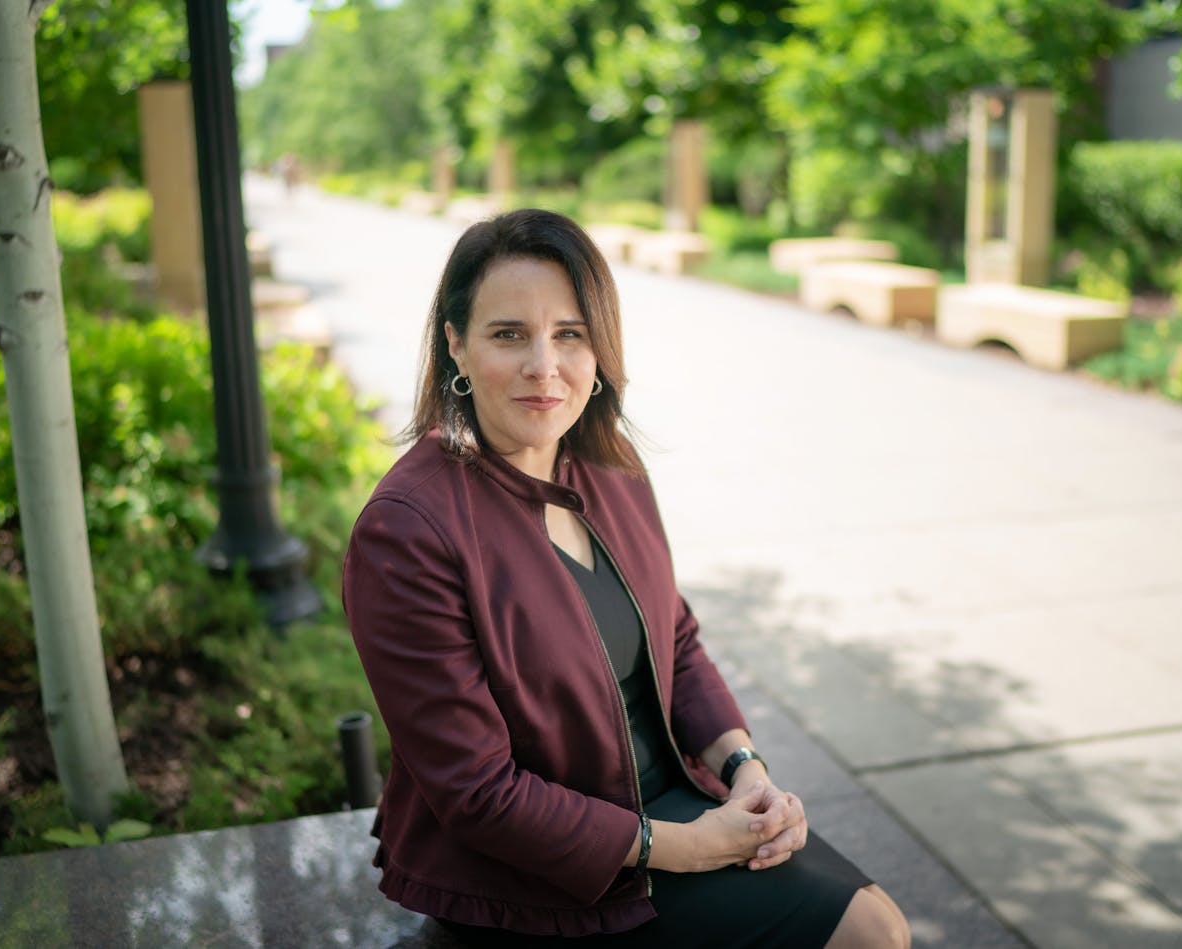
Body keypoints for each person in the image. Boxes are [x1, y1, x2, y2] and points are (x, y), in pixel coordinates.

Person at [342, 209, 910, 947]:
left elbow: (676, 635)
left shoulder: (610, 468)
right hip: (535, 872)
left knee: (881, 925)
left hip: (673, 797)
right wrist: (693, 846)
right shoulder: (408, 529)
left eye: (570, 334)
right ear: (455, 342)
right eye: (508, 334)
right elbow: (478, 793)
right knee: (867, 935)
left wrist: (745, 770)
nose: (544, 365)